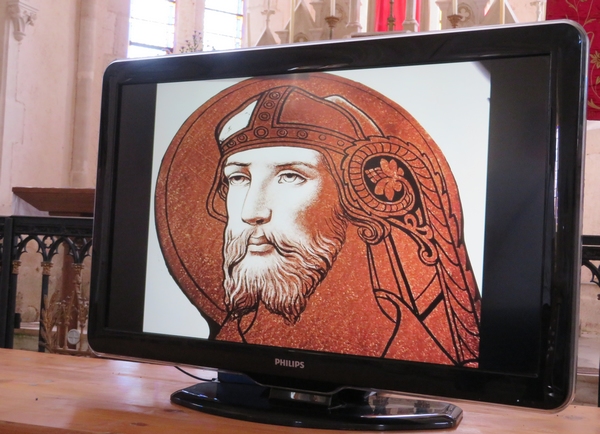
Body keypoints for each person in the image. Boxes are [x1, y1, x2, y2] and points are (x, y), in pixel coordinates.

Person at [156, 74, 481, 367]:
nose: (251, 211)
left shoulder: (413, 358)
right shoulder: (229, 347)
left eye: (290, 176)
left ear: (354, 198)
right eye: (239, 178)